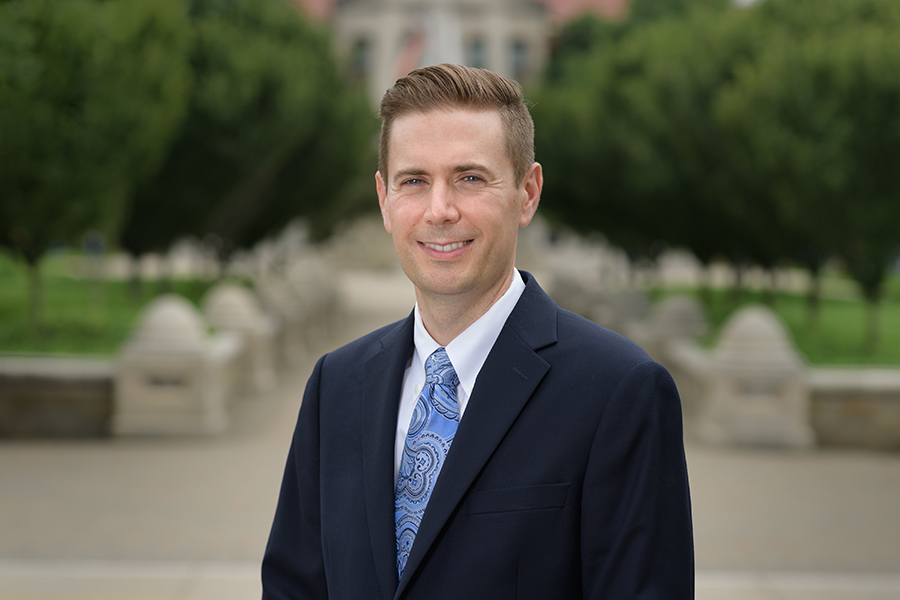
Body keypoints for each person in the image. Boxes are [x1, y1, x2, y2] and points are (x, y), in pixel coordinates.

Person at [262, 63, 693, 600]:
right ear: (384, 200)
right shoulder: (336, 385)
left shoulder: (619, 391)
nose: (439, 210)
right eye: (413, 181)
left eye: (469, 178)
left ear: (528, 193)